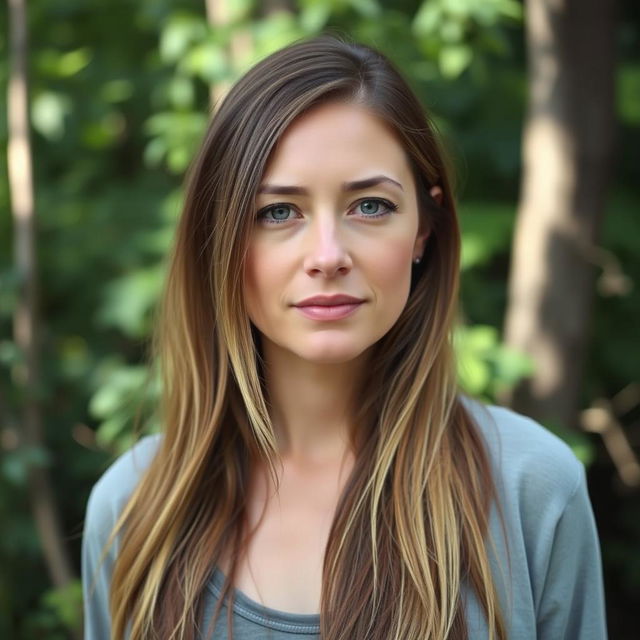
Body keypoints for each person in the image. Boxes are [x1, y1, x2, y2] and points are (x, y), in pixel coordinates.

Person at [81, 34, 607, 640]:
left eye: (371, 206)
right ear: (221, 241)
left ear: (423, 229)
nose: (327, 256)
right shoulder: (135, 508)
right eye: (278, 213)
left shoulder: (532, 490)